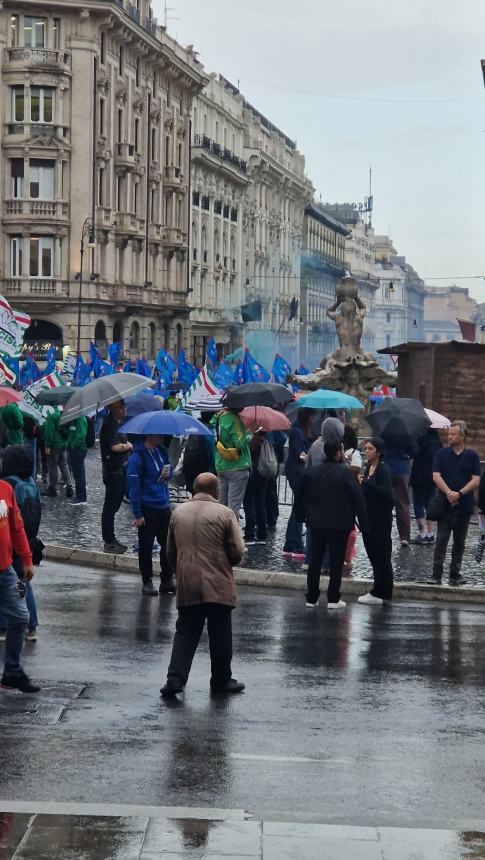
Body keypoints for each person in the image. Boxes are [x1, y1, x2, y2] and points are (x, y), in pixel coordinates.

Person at [160, 472, 246, 698]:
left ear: (194, 489)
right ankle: (221, 679)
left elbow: (170, 551)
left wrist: (180, 570)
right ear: (216, 491)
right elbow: (237, 552)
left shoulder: (178, 513)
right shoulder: (225, 514)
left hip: (188, 582)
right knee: (220, 634)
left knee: (185, 632)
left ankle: (174, 680)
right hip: (218, 583)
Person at [295, 440, 368, 610]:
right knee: (336, 562)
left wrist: (301, 516)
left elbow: (300, 495)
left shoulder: (311, 472)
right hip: (340, 524)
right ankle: (333, 598)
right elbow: (358, 500)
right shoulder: (347, 473)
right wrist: (364, 524)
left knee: (315, 561)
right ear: (338, 453)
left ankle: (311, 597)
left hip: (316, 523)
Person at [427, 420, 480, 586]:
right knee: (441, 539)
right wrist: (449, 492)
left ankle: (455, 573)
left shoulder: (472, 456)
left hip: (463, 505)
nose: (450, 436)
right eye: (449, 434)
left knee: (460, 541)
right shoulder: (441, 454)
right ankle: (436, 574)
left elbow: (476, 479)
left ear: (462, 436)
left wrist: (460, 493)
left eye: (453, 434)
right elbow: (436, 475)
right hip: (444, 503)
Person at [0, 477, 39, 693]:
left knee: (20, 616)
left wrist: (26, 559)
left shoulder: (6, 489)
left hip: (5, 569)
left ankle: (12, 672)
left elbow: (17, 528)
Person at [0, 446, 43, 642]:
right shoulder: (31, 482)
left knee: (9, 587)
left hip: (11, 546)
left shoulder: (7, 484)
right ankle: (31, 626)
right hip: (29, 539)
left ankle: (2, 627)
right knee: (22, 584)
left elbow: (12, 524)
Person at [127, 434, 175, 596]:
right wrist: (138, 514)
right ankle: (147, 581)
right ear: (149, 434)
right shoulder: (137, 457)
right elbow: (134, 487)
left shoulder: (161, 450)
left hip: (163, 505)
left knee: (168, 544)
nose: (163, 436)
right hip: (147, 507)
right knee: (146, 546)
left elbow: (169, 469)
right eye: (159, 433)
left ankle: (166, 579)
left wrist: (169, 473)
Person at [358, 436, 395, 605]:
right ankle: (378, 587)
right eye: (366, 448)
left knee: (382, 555)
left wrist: (367, 484)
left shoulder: (383, 470)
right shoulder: (368, 467)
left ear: (379, 452)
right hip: (369, 519)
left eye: (370, 449)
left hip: (381, 520)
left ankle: (382, 591)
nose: (366, 451)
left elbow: (388, 495)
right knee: (373, 555)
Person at [100, 399, 132, 553]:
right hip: (113, 472)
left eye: (123, 406)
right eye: (120, 406)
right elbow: (115, 447)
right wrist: (128, 446)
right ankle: (109, 541)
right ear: (111, 408)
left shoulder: (119, 425)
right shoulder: (109, 425)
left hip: (121, 471)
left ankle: (111, 539)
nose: (123, 409)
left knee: (114, 506)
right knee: (110, 508)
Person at [283, 408, 316, 559]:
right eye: (313, 416)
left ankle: (291, 543)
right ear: (308, 417)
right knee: (299, 508)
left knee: (297, 508)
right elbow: (300, 453)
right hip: (298, 472)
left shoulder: (302, 430)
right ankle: (295, 544)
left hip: (299, 471)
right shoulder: (297, 431)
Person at [211, 408, 253, 521]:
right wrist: (250, 433)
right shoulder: (235, 419)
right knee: (233, 506)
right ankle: (231, 535)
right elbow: (239, 443)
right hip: (237, 465)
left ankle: (219, 531)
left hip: (221, 464)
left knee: (221, 504)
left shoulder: (218, 416)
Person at [409, 429, 442, 544]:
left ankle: (422, 532)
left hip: (419, 476)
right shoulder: (438, 442)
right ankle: (430, 533)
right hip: (432, 477)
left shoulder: (420, 440)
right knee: (430, 504)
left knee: (418, 503)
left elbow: (413, 453)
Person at [383, 444, 415, 547]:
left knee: (384, 501)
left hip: (386, 466)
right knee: (403, 503)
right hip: (402, 468)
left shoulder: (384, 432)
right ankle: (404, 536)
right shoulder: (408, 435)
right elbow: (413, 451)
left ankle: (384, 531)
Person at [342, 425, 363, 574]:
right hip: (342, 490)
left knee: (350, 528)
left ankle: (347, 558)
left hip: (350, 492)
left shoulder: (354, 453)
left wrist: (344, 463)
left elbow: (356, 468)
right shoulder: (343, 451)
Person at [243, 430, 269, 545]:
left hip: (251, 477)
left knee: (249, 505)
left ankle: (249, 535)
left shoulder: (251, 443)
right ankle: (262, 535)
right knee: (260, 505)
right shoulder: (267, 443)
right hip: (263, 477)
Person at [43, 407, 73, 498]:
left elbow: (49, 432)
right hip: (63, 443)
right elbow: (71, 429)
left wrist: (47, 445)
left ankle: (52, 487)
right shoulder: (65, 414)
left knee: (53, 466)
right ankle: (69, 486)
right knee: (64, 465)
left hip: (54, 444)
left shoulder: (51, 415)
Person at [182, 413, 215, 494]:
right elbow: (211, 454)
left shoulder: (193, 429)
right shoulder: (211, 431)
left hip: (191, 470)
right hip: (206, 470)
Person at [65, 416, 88, 506]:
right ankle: (80, 496)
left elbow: (81, 435)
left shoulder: (79, 418)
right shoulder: (75, 419)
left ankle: (81, 497)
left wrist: (73, 445)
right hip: (75, 449)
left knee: (79, 474)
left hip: (78, 449)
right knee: (78, 473)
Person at [265, 430, 286, 528]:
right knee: (271, 491)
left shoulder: (268, 430)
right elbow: (283, 438)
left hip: (268, 462)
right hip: (273, 462)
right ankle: (271, 518)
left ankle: (269, 518)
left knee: (267, 492)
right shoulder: (275, 428)